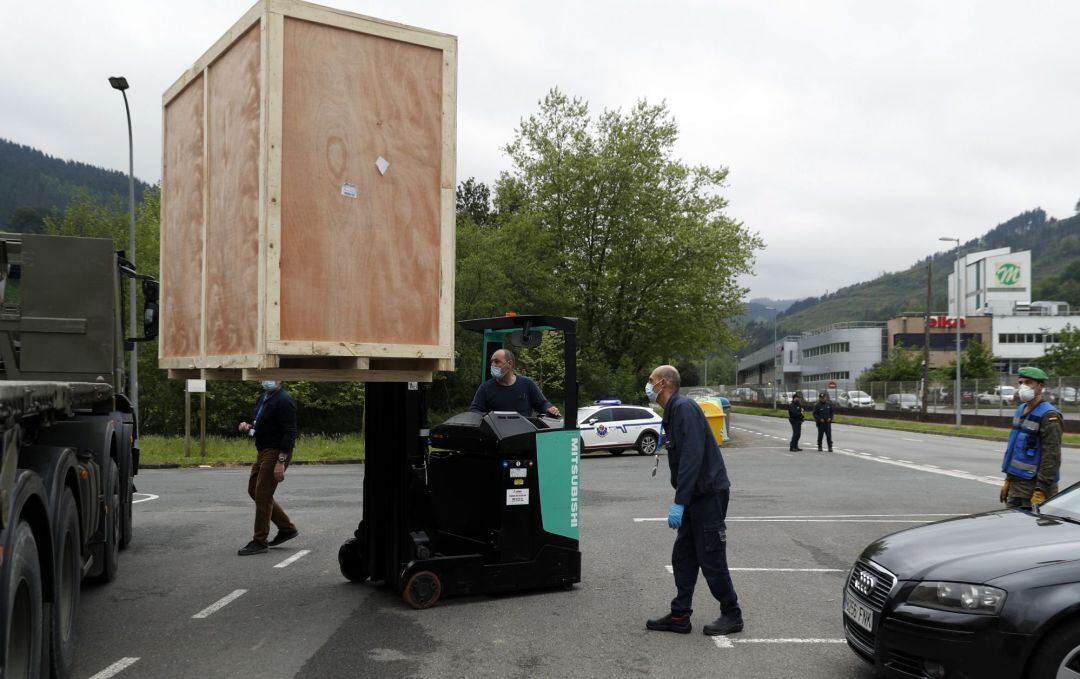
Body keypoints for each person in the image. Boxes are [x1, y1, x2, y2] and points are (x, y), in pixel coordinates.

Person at [645, 365, 743, 637]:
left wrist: (680, 501)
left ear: (664, 383)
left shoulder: (684, 408)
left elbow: (692, 456)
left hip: (707, 494)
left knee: (711, 556)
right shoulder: (673, 411)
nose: (648, 385)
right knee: (684, 556)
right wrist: (684, 499)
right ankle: (680, 615)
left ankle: (732, 613)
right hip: (694, 495)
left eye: (651, 380)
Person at [236, 380, 299, 555]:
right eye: (264, 376)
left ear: (281, 380)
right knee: (254, 490)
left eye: (271, 376)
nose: (266, 380)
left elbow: (290, 432)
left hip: (276, 451)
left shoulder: (285, 400)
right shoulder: (263, 398)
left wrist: (281, 461)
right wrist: (249, 427)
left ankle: (259, 541)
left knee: (263, 495)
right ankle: (287, 528)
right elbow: (262, 425)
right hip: (263, 450)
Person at [999, 367, 1062, 510]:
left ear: (1040, 386)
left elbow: (1051, 456)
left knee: (1032, 524)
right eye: (1020, 382)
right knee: (1011, 522)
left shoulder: (1049, 416)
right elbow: (1015, 450)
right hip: (1016, 485)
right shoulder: (1020, 410)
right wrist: (1008, 479)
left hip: (1035, 489)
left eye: (1028, 382)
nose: (1023, 386)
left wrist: (1041, 489)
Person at [469, 348, 561, 418]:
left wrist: (550, 408)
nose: (493, 365)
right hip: (496, 434)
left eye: (497, 362)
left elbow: (542, 404)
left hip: (524, 433)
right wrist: (491, 417)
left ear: (510, 364)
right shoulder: (485, 388)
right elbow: (474, 411)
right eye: (492, 362)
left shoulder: (526, 383)